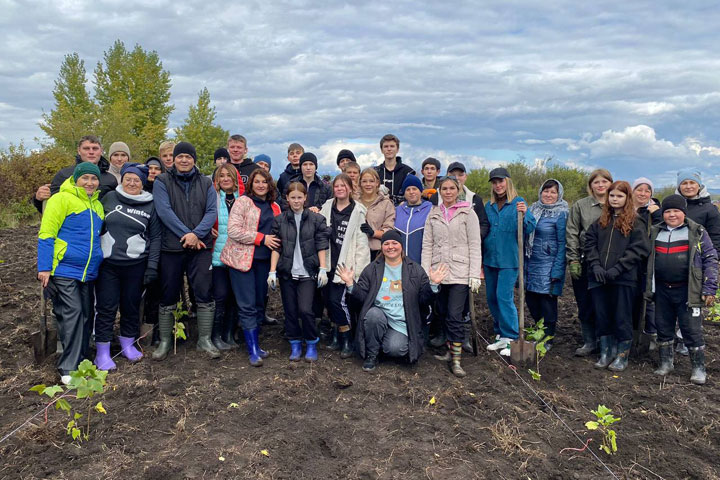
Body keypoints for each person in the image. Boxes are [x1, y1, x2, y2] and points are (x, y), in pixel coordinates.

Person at [338, 230, 448, 372]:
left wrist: (433, 285)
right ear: (382, 247)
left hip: (401, 323)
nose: (390, 247)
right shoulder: (372, 269)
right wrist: (350, 284)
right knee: (373, 315)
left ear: (401, 246)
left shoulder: (415, 270)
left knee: (396, 349)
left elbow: (423, 300)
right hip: (378, 318)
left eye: (394, 243)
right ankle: (372, 355)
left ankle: (380, 343)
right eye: (386, 244)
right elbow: (361, 298)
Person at [37, 162, 105, 384]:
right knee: (72, 313)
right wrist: (44, 267)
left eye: (93, 179)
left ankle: (82, 363)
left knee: (86, 315)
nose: (90, 182)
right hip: (64, 268)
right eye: (85, 178)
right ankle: (68, 368)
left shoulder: (97, 205)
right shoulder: (61, 199)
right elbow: (47, 234)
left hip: (88, 271)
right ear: (76, 179)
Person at [152, 142, 219, 360]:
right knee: (169, 291)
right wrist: (187, 235)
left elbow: (211, 211)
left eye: (188, 157)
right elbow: (164, 211)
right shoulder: (162, 181)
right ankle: (165, 341)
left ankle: (204, 340)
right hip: (172, 246)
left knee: (203, 290)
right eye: (179, 156)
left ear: (194, 160)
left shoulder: (206, 182)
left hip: (201, 247)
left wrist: (197, 234)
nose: (183, 160)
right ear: (173, 159)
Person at [94, 163, 161, 370]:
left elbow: (156, 237)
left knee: (131, 307)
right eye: (128, 179)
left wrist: (151, 266)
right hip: (108, 265)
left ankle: (128, 345)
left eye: (137, 180)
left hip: (136, 265)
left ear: (143, 182)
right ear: (122, 179)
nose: (132, 183)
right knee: (106, 307)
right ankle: (102, 352)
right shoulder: (108, 199)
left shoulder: (150, 204)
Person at [645, 195, 717, 384]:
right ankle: (666, 363)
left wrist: (709, 287)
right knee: (663, 326)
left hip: (687, 290)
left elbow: (710, 259)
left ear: (683, 213)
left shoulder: (697, 232)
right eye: (668, 211)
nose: (672, 215)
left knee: (691, 330)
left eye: (676, 211)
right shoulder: (655, 232)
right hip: (661, 289)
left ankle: (698, 369)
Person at [584, 181, 649, 371]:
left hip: (623, 278)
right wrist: (595, 265)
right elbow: (589, 243)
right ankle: (606, 352)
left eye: (619, 196)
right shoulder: (600, 222)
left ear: (627, 198)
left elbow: (639, 249)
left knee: (622, 316)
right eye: (612, 195)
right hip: (599, 277)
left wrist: (618, 268)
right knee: (602, 315)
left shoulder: (636, 222)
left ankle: (622, 355)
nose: (614, 199)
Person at [422, 176, 482, 376]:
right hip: (439, 271)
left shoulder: (467, 213)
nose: (448, 192)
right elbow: (427, 244)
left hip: (460, 272)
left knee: (455, 314)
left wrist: (474, 273)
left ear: (458, 190)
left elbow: (474, 244)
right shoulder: (434, 214)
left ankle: (456, 360)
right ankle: (450, 350)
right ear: (439, 191)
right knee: (444, 312)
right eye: (444, 189)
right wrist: (426, 272)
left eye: (451, 188)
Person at [221, 168, 281, 366]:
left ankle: (256, 343)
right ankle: (252, 349)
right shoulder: (243, 202)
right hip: (242, 262)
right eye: (257, 181)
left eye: (264, 181)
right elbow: (233, 230)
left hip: (264, 263)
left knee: (257, 304)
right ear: (251, 184)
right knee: (246, 305)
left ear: (269, 184)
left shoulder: (274, 207)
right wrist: (261, 238)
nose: (261, 185)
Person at [268, 182, 330, 362]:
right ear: (287, 198)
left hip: (307, 273)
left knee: (305, 309)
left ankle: (311, 342)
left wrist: (323, 268)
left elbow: (321, 244)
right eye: (292, 197)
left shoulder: (316, 219)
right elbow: (276, 246)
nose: (296, 201)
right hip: (287, 272)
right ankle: (295, 343)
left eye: (299, 197)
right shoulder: (280, 219)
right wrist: (272, 271)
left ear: (305, 198)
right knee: (290, 310)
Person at [483, 168, 536, 356]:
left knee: (503, 297)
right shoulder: (488, 205)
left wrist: (525, 213)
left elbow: (529, 228)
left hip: (509, 259)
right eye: (495, 182)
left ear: (508, 182)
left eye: (501, 181)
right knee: (491, 297)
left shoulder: (518, 202)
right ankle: (500, 334)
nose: (498, 185)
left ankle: (511, 336)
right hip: (490, 258)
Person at [320, 174, 371, 358]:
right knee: (328, 301)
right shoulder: (327, 207)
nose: (340, 188)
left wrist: (357, 271)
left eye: (343, 185)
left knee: (338, 302)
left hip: (345, 264)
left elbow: (361, 243)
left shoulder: (358, 211)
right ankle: (335, 336)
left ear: (350, 188)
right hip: (327, 261)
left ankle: (347, 339)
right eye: (336, 186)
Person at [566, 168, 613, 356]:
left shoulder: (617, 203)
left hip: (610, 263)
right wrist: (573, 259)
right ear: (591, 186)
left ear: (610, 183)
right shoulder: (581, 205)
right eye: (596, 182)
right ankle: (589, 341)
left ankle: (606, 342)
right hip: (585, 261)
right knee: (585, 302)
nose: (600, 185)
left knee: (605, 304)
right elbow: (572, 232)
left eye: (604, 182)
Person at [524, 179, 568, 349]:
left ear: (559, 195)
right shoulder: (532, 210)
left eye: (553, 192)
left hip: (549, 264)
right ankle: (539, 331)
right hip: (531, 261)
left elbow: (563, 243)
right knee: (531, 299)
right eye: (546, 191)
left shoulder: (562, 213)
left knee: (546, 301)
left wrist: (557, 271)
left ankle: (548, 337)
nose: (549, 195)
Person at [33, 135, 118, 213]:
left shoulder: (111, 179)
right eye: (86, 148)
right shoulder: (64, 175)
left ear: (101, 151)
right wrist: (38, 199)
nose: (91, 152)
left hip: (101, 227)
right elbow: (50, 208)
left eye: (95, 148)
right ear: (79, 151)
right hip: (71, 227)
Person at [210, 163, 245, 351]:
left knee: (233, 296)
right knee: (221, 296)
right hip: (219, 255)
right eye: (221, 175)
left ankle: (229, 334)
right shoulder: (214, 198)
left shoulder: (243, 200)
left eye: (228, 175)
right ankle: (216, 335)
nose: (225, 179)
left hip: (238, 256)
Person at [632, 177, 662, 351]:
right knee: (632, 299)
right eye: (639, 189)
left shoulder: (655, 211)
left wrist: (656, 214)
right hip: (630, 261)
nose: (643, 193)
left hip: (649, 261)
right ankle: (633, 336)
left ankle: (651, 336)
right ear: (633, 191)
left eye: (647, 190)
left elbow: (663, 229)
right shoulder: (626, 209)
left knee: (649, 299)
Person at [676, 168, 720, 252]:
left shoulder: (710, 209)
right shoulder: (672, 207)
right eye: (684, 183)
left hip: (700, 258)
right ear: (679, 187)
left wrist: (712, 260)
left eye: (692, 183)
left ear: (699, 185)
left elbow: (716, 237)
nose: (688, 187)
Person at [358, 168, 395, 260]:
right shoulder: (355, 203)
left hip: (378, 252)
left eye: (371, 181)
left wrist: (373, 233)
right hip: (357, 251)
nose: (368, 184)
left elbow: (389, 229)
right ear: (360, 183)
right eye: (364, 181)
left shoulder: (386, 203)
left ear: (377, 183)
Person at [394, 175, 432, 264]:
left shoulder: (430, 208)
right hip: (399, 264)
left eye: (414, 189)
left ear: (420, 191)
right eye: (408, 189)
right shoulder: (397, 210)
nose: (411, 192)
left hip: (422, 263)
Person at [374, 134, 416, 206]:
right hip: (379, 211)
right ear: (381, 150)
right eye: (386, 146)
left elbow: (412, 194)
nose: (389, 149)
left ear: (397, 149)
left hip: (402, 211)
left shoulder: (408, 172)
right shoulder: (375, 172)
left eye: (392, 146)